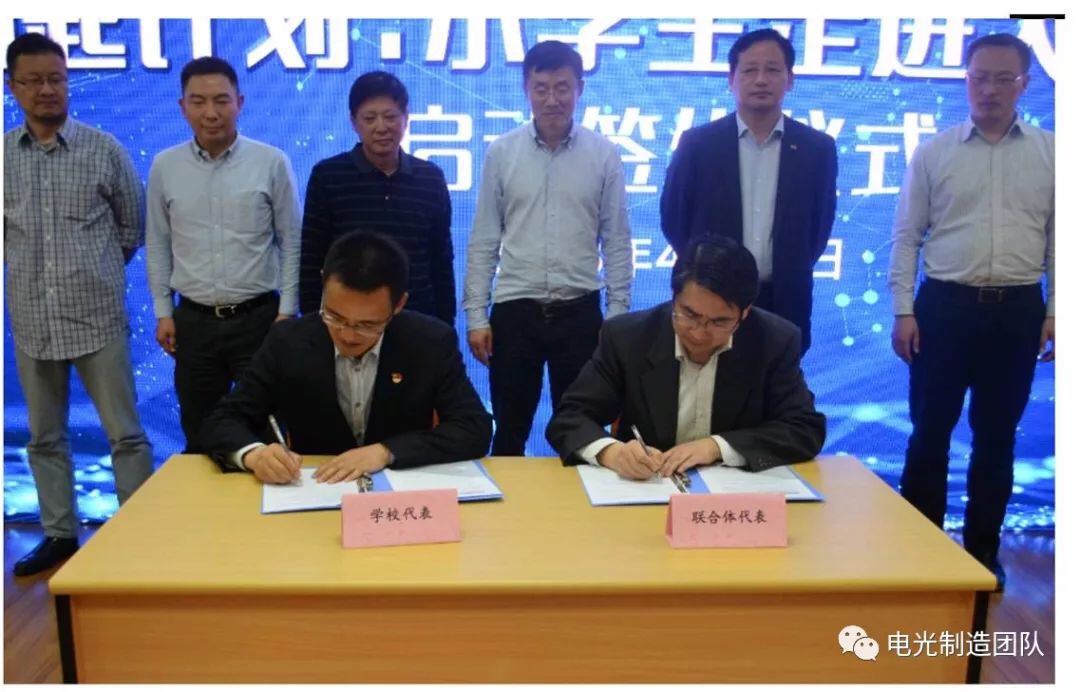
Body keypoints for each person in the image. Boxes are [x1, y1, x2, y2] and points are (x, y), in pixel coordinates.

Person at [888, 33, 1054, 592]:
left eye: (1003, 79)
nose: (989, 89)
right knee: (928, 433)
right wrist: (903, 310)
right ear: (966, 80)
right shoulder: (934, 152)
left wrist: (1056, 311)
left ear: (1023, 84)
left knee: (997, 438)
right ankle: (920, 552)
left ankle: (983, 553)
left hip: (1018, 310)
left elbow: (1062, 241)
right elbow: (906, 237)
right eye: (979, 77)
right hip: (944, 308)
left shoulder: (1054, 153)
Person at [4, 32, 153, 576]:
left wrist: (92, 272)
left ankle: (139, 535)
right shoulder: (3, 155)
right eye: (33, 81)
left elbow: (131, 228)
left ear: (68, 82)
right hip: (32, 319)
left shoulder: (103, 149)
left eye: (56, 79)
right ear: (12, 86)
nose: (46, 90)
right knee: (45, 438)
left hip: (96, 318)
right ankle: (59, 535)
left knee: (126, 435)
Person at [201, 231, 492, 484]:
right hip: (315, 491)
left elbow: (474, 428)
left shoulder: (430, 342)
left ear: (399, 304)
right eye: (335, 316)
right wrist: (254, 455)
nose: (348, 335)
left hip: (398, 499)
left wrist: (387, 451)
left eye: (367, 324)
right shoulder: (288, 341)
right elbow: (222, 419)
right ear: (323, 286)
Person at [464, 40, 633, 455]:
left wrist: (616, 317)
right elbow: (485, 239)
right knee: (509, 430)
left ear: (580, 88)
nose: (552, 99)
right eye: (541, 88)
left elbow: (616, 241)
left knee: (581, 431)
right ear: (526, 88)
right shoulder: (502, 152)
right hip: (515, 312)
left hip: (580, 312)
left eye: (562, 88)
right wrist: (476, 315)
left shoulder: (604, 154)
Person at [547, 236, 825, 478]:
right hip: (648, 490)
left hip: (733, 501)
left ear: (745, 313)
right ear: (674, 298)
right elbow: (570, 418)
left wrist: (717, 447)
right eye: (689, 314)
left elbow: (804, 429)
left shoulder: (774, 341)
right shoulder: (629, 338)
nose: (699, 333)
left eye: (719, 322)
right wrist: (613, 453)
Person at [145, 56, 301, 453]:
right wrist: (163, 311)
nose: (210, 113)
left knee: (268, 428)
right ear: (182, 106)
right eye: (198, 101)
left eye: (221, 100)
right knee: (200, 433)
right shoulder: (165, 166)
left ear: (240, 103)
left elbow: (292, 241)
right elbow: (158, 242)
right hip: (193, 322)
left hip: (260, 320)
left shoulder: (271, 162)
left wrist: (287, 312)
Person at [660, 28, 837, 355]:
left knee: (776, 384)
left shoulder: (817, 149)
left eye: (772, 70)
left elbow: (818, 230)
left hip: (784, 300)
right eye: (749, 70)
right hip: (710, 301)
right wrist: (706, 270)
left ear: (790, 79)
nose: (760, 80)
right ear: (731, 79)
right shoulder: (698, 144)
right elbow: (674, 219)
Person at [299, 71, 455, 326]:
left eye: (390, 117)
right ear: (354, 122)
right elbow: (311, 259)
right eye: (369, 118)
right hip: (349, 325)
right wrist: (312, 325)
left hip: (418, 322)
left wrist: (445, 327)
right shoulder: (328, 176)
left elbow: (441, 261)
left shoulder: (430, 178)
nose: (381, 127)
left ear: (406, 118)